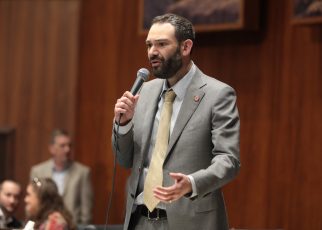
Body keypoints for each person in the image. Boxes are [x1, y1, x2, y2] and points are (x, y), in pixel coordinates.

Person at [112, 13, 240, 230]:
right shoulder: (144, 92)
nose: (152, 51)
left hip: (190, 222)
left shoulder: (217, 94)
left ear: (185, 47)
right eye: (149, 45)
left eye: (162, 44)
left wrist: (192, 183)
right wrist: (123, 125)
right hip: (140, 220)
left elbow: (229, 160)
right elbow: (123, 161)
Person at [30, 129, 93, 225]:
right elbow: (32, 204)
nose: (67, 149)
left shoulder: (83, 172)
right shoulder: (38, 171)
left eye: (69, 146)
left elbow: (86, 211)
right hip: (43, 226)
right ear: (52, 148)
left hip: (72, 227)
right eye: (62, 146)